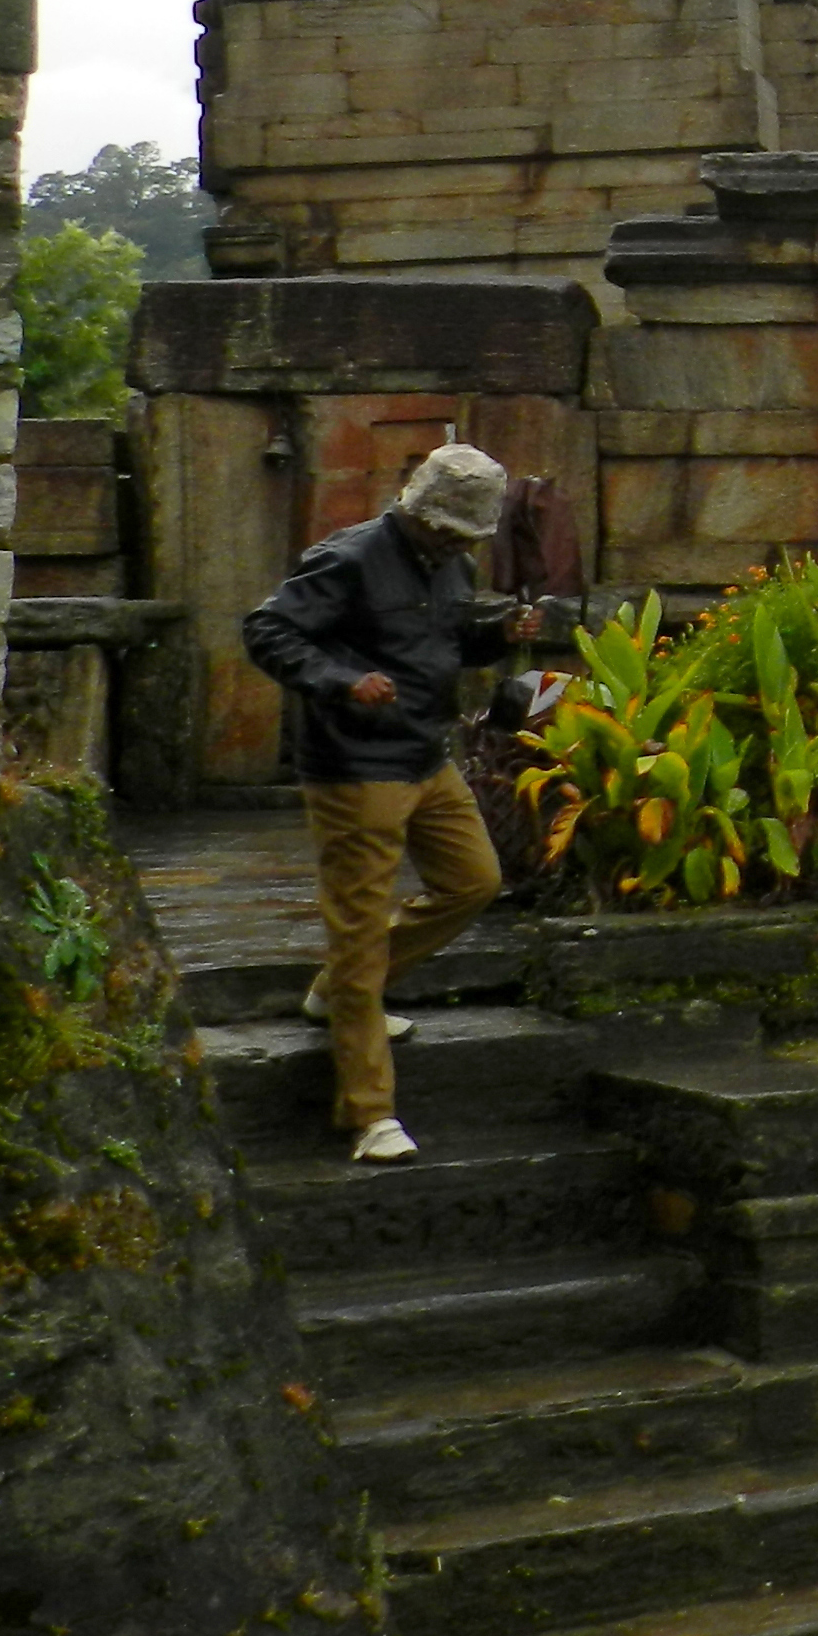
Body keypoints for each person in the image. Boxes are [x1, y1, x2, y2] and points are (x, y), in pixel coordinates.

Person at [242, 444, 541, 1163]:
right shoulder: (348, 559)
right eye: (443, 529)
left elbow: (438, 644)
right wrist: (342, 679)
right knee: (358, 932)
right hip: (354, 765)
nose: (452, 542)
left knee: (475, 882)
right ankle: (370, 1114)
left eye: (464, 535)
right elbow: (266, 630)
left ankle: (339, 991)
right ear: (415, 509)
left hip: (425, 756)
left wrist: (495, 635)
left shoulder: (452, 565)